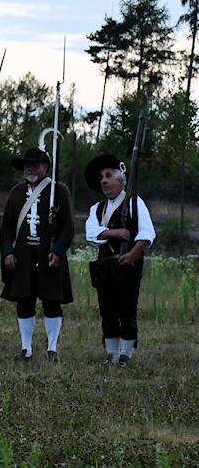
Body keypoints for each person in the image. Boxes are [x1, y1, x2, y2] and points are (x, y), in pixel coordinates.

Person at [0, 148, 74, 363]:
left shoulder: (59, 191)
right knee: (25, 301)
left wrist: (58, 250)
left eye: (35, 164)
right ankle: (26, 349)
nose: (30, 168)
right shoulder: (15, 193)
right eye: (27, 164)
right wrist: (8, 252)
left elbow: (67, 227)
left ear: (45, 167)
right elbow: (6, 229)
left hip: (48, 254)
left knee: (51, 301)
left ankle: (52, 349)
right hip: (23, 254)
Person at [84, 154, 155, 368]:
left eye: (108, 176)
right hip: (105, 267)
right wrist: (114, 232)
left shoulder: (135, 203)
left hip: (128, 265)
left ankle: (125, 355)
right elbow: (91, 232)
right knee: (107, 310)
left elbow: (147, 234)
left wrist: (132, 255)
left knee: (127, 308)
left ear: (120, 180)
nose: (104, 180)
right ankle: (112, 354)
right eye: (101, 177)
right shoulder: (97, 208)